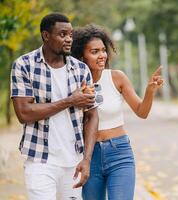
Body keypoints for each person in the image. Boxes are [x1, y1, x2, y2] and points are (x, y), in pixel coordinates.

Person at [10, 13, 99, 200]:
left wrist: (87, 160)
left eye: (71, 35)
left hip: (74, 160)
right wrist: (70, 101)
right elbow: (24, 113)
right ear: (46, 35)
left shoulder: (81, 69)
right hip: (40, 160)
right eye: (62, 34)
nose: (68, 39)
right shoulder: (23, 65)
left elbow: (91, 115)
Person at [71, 24, 164, 200]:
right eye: (95, 51)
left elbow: (141, 112)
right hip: (89, 157)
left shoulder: (116, 78)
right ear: (82, 55)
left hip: (119, 152)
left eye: (103, 50)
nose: (102, 56)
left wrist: (150, 91)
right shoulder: (73, 83)